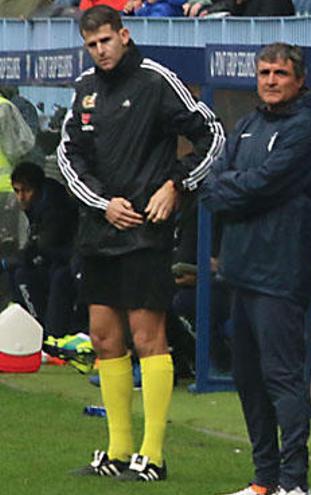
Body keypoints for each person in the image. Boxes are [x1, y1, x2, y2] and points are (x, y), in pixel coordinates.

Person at [58, 5, 224, 481]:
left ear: (124, 35)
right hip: (98, 231)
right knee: (106, 339)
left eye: (106, 41)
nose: (100, 52)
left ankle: (153, 456)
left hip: (145, 235)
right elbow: (68, 157)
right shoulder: (84, 89)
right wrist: (102, 203)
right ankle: (116, 451)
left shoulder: (155, 80)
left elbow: (212, 134)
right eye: (91, 45)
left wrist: (177, 184)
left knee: (149, 338)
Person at [201, 42, 311, 495]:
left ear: (299, 79)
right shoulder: (251, 124)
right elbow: (215, 184)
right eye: (264, 72)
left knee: (281, 377)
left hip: (280, 273)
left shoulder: (308, 127)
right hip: (241, 270)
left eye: (279, 73)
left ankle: (295, 483)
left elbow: (265, 183)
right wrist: (237, 189)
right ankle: (264, 479)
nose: (271, 80)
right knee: (248, 379)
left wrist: (236, 189)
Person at [5, 162, 79, 338]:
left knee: (27, 275)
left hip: (68, 263)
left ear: (37, 189)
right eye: (17, 191)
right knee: (18, 272)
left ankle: (45, 334)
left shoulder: (53, 207)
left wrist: (15, 259)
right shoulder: (38, 206)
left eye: (26, 191)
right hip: (54, 261)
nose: (21, 197)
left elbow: (45, 244)